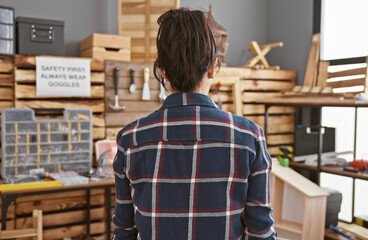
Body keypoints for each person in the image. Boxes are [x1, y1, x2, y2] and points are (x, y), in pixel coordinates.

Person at [112, 8, 276, 240]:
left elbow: (124, 232)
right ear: (213, 67)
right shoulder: (250, 138)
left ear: (163, 72)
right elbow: (261, 233)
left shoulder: (130, 139)